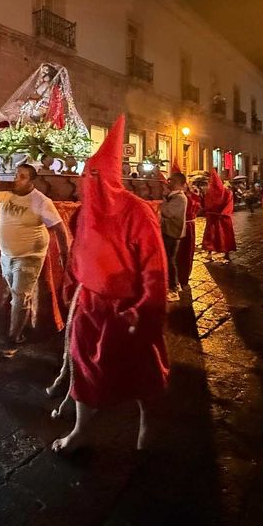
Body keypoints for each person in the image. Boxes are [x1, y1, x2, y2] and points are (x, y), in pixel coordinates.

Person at [50, 115, 169, 453]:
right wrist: (73, 284)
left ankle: (149, 424)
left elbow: (154, 268)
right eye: (87, 175)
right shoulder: (84, 211)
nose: (89, 182)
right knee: (85, 366)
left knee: (143, 373)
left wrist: (145, 310)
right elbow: (78, 251)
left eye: (96, 175)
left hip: (127, 310)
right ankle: (82, 430)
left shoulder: (137, 212)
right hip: (90, 306)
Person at [0, 163, 69, 344]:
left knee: (19, 295)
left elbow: (59, 228)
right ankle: (23, 319)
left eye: (22, 176)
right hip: (7, 255)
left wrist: (65, 256)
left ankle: (13, 338)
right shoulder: (7, 193)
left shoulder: (40, 201)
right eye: (16, 175)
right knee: (18, 294)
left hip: (29, 256)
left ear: (32, 181)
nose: (16, 179)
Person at [160, 172, 188, 302]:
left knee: (170, 260)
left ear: (177, 183)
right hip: (170, 231)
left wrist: (161, 201)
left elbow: (167, 212)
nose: (168, 182)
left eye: (170, 180)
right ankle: (174, 285)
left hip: (172, 233)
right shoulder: (174, 196)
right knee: (169, 259)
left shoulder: (179, 198)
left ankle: (173, 289)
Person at [202, 168, 236, 263]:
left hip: (214, 218)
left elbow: (206, 205)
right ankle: (226, 253)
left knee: (212, 236)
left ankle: (210, 253)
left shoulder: (209, 192)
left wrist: (209, 212)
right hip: (222, 218)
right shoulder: (226, 192)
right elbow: (229, 203)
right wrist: (224, 213)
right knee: (224, 236)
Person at [175, 182, 200, 293]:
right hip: (189, 226)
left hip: (182, 226)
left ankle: (180, 278)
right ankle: (183, 278)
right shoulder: (195, 197)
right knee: (186, 253)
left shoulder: (180, 198)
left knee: (181, 253)